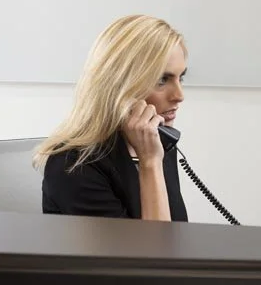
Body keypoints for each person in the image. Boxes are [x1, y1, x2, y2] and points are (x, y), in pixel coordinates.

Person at [33, 14, 188, 221]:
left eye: (181, 77)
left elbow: (177, 237)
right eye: (162, 79)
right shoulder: (73, 166)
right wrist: (150, 162)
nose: (179, 95)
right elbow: (154, 251)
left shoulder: (154, 141)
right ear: (119, 86)